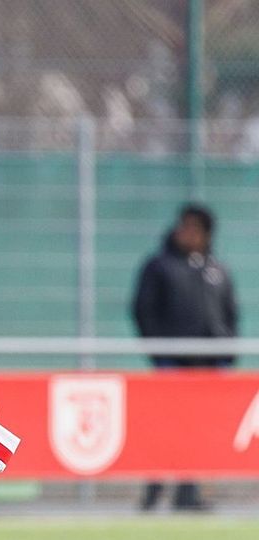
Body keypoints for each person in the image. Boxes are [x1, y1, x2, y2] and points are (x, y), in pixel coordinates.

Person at [133, 203, 237, 512]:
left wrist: (225, 352)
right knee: (164, 430)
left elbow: (229, 314)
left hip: (209, 367)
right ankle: (153, 492)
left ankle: (190, 494)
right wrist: (159, 351)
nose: (185, 232)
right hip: (173, 365)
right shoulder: (160, 266)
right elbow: (144, 310)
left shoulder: (216, 269)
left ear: (206, 233)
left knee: (201, 432)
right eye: (183, 225)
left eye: (193, 227)